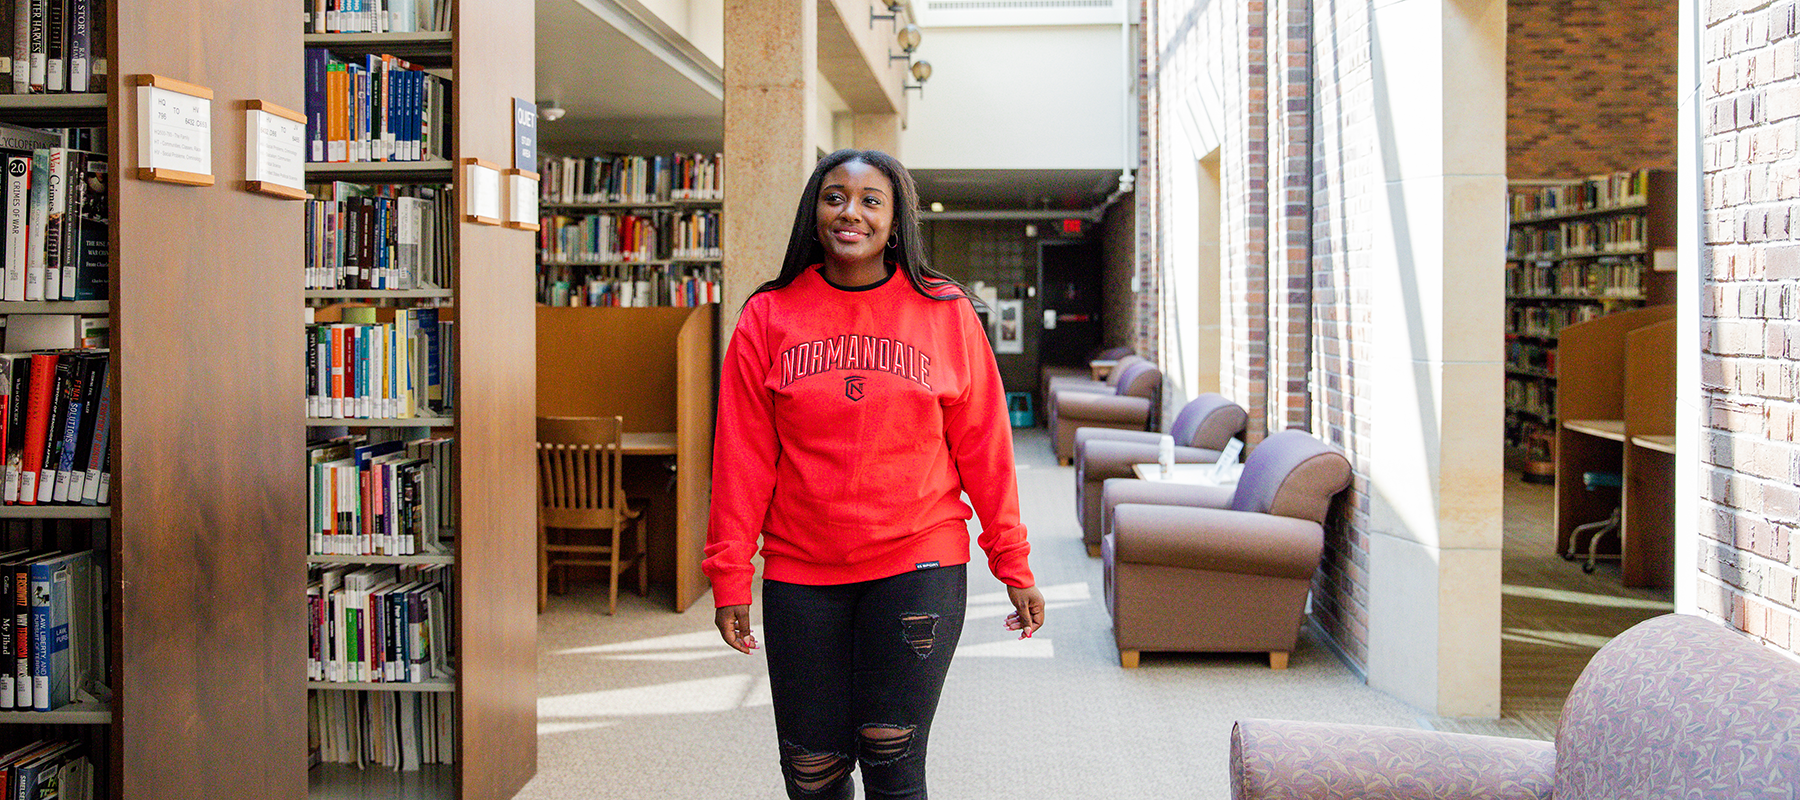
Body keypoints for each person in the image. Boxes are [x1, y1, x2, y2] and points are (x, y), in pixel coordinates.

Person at [705, 148, 1045, 800]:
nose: (850, 212)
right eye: (835, 197)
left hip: (918, 560)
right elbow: (742, 458)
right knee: (812, 771)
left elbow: (986, 450)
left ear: (896, 220)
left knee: (892, 761)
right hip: (802, 568)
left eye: (870, 200)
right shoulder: (768, 316)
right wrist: (728, 575)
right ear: (815, 210)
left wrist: (1014, 563)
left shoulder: (944, 312)